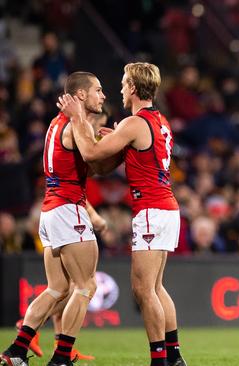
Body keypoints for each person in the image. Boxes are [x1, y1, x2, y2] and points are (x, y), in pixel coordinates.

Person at [57, 62, 186, 366]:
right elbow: (105, 164)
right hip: (165, 207)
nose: (119, 89)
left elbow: (90, 155)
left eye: (123, 83)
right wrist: (113, 138)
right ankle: (175, 355)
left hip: (152, 210)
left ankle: (159, 359)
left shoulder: (134, 123)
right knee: (155, 287)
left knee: (143, 290)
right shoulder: (159, 120)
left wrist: (77, 119)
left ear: (132, 87)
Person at [1, 72, 113, 366]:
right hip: (68, 210)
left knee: (57, 289)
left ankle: (16, 350)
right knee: (86, 286)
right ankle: (62, 357)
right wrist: (121, 145)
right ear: (80, 96)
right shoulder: (75, 125)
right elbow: (94, 157)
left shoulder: (56, 124)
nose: (102, 96)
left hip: (50, 211)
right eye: (97, 91)